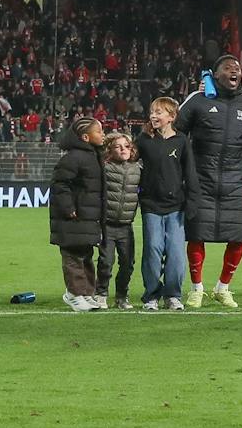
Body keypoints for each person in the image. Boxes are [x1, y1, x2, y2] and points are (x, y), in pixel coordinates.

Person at [176, 54, 242, 309]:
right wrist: (184, 170)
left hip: (236, 183)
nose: (234, 71)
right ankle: (196, 289)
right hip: (201, 181)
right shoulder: (197, 99)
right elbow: (177, 134)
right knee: (196, 235)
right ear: (214, 75)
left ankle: (223, 287)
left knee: (238, 237)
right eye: (227, 67)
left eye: (237, 68)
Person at [135, 96, 189, 309]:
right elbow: (129, 159)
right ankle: (151, 295)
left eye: (158, 112)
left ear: (171, 116)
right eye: (152, 112)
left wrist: (193, 202)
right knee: (153, 249)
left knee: (176, 253)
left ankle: (173, 295)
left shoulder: (182, 140)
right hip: (151, 205)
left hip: (176, 206)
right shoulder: (144, 139)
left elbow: (190, 172)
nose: (153, 116)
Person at [50, 116, 107, 312]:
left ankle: (86, 293)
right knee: (73, 256)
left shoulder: (94, 155)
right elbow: (59, 184)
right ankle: (74, 295)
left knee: (86, 254)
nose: (103, 134)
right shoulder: (73, 158)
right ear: (85, 137)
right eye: (98, 131)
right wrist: (68, 208)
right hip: (73, 218)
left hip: (88, 217)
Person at [97, 132, 142, 310]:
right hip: (107, 225)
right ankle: (101, 294)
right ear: (110, 150)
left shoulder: (138, 169)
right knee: (106, 262)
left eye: (126, 146)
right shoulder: (104, 168)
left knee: (127, 264)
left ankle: (122, 296)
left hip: (126, 225)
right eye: (118, 146)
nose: (123, 149)